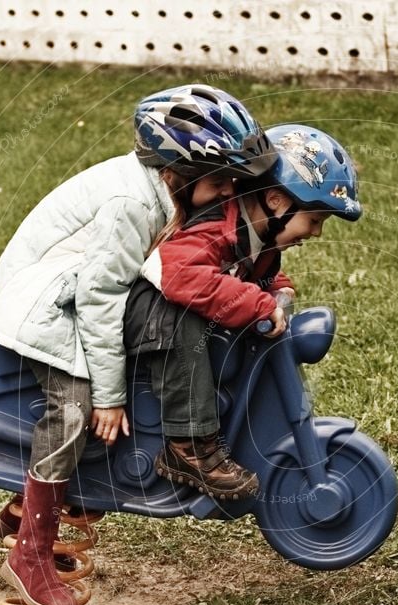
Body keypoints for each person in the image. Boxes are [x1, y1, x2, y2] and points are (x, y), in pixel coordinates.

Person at [0, 85, 276, 605]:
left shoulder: (162, 191)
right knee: (73, 410)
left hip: (74, 290)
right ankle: (28, 556)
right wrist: (109, 396)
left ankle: (21, 511)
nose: (222, 195)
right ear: (178, 174)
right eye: (216, 183)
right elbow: (100, 297)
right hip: (46, 300)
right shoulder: (129, 205)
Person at [124, 123, 361, 500]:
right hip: (147, 314)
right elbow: (176, 271)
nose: (316, 233)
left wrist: (276, 288)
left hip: (156, 317)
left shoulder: (260, 236)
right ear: (277, 201)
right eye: (315, 220)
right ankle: (189, 445)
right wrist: (256, 304)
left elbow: (250, 271)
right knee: (182, 319)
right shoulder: (220, 224)